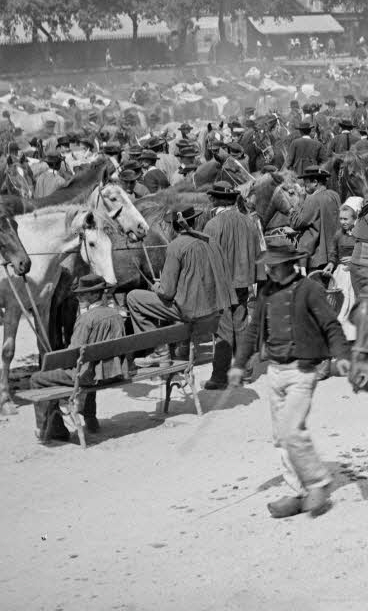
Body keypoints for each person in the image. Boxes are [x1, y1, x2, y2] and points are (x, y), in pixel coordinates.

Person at [227, 238, 350, 519]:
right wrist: (239, 363)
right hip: (275, 370)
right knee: (280, 437)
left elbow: (330, 324)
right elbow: (253, 329)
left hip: (302, 370)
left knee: (292, 430)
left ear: (287, 265)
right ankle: (298, 492)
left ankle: (318, 482)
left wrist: (341, 355)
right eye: (267, 266)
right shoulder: (267, 292)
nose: (268, 271)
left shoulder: (310, 289)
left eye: (273, 266)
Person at [29, 273, 127, 443]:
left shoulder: (85, 320)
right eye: (79, 293)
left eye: (84, 293)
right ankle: (91, 420)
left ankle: (52, 429)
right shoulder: (116, 315)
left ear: (96, 294)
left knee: (37, 379)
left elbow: (72, 355)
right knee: (93, 366)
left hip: (90, 377)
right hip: (113, 373)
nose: (79, 296)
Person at [126, 206, 233, 344]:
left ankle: (160, 351)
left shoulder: (175, 246)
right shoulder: (209, 241)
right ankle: (181, 346)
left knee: (133, 297)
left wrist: (156, 287)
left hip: (191, 311)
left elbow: (168, 292)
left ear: (173, 227)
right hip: (214, 308)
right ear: (193, 222)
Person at [202, 181, 262, 390]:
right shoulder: (249, 222)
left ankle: (219, 376)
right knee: (241, 323)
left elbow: (207, 259)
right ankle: (244, 371)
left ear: (217, 200)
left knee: (224, 329)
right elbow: (258, 252)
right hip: (244, 281)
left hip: (222, 284)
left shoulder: (212, 225)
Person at [289, 164, 341, 272]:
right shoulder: (335, 195)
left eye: (306, 182)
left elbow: (295, 223)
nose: (304, 186)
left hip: (318, 258)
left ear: (315, 182)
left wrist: (301, 200)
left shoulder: (313, 200)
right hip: (334, 255)